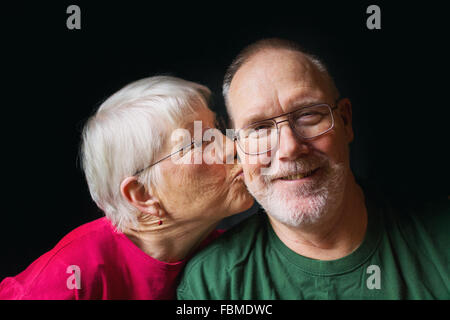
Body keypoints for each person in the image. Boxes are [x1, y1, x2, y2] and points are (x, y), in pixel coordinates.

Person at [177, 38, 450, 299]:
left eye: (308, 114)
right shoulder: (211, 285)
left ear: (345, 121)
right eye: (259, 128)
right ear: (238, 147)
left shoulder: (440, 237)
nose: (290, 148)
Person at [0, 76, 254, 299]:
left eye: (216, 129)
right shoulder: (68, 281)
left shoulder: (232, 253)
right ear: (143, 195)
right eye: (197, 142)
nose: (231, 145)